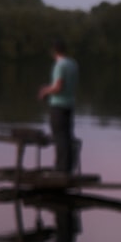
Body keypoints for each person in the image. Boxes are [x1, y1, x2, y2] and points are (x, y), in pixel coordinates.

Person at [38, 39, 79, 173]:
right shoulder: (73, 63)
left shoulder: (59, 65)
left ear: (53, 51)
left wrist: (45, 91)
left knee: (59, 137)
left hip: (58, 106)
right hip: (70, 105)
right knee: (67, 136)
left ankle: (61, 169)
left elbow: (58, 87)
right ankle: (68, 167)